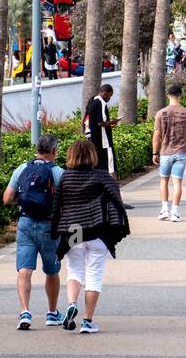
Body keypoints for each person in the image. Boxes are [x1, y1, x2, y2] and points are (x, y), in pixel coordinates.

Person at [51, 139, 130, 334]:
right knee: (94, 275)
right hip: (98, 231)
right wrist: (121, 228)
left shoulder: (66, 178)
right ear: (92, 156)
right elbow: (117, 202)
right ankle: (87, 321)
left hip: (75, 230)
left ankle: (71, 303)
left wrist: (55, 231)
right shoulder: (102, 176)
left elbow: (57, 207)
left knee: (74, 270)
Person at [4, 135, 66, 330]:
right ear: (54, 151)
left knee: (24, 270)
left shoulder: (22, 169)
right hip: (49, 226)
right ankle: (52, 313)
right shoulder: (58, 172)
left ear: (37, 149)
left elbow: (7, 198)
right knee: (52, 271)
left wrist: (23, 201)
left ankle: (25, 312)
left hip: (25, 222)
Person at [152, 83, 186, 222]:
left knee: (164, 181)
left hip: (165, 152)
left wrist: (154, 153)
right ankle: (175, 212)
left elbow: (157, 135)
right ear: (180, 96)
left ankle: (164, 209)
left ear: (168, 95)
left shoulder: (160, 113)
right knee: (177, 183)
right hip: (181, 152)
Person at [83, 84, 118, 176]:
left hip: (95, 140)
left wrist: (110, 124)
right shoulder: (101, 103)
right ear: (105, 94)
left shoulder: (93, 101)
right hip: (104, 141)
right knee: (110, 165)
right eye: (110, 95)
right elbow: (100, 122)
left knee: (98, 165)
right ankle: (112, 185)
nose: (110, 98)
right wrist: (112, 121)